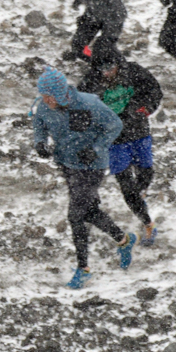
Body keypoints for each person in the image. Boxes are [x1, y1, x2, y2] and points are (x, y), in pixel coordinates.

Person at [31, 68, 132, 290]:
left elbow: (115, 125)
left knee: (75, 215)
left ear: (59, 93)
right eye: (43, 95)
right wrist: (40, 143)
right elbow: (38, 124)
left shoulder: (89, 104)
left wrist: (96, 148)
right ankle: (123, 239)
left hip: (92, 167)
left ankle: (83, 268)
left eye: (49, 96)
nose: (45, 100)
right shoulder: (43, 107)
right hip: (67, 164)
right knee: (89, 211)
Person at [77, 44, 164, 243]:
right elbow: (79, 111)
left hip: (139, 133)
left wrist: (142, 109)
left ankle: (141, 195)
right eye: (101, 69)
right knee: (127, 187)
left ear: (118, 63)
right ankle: (148, 223)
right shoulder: (90, 83)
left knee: (146, 174)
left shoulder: (134, 72)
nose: (107, 72)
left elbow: (154, 92)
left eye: (110, 67)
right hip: (114, 142)